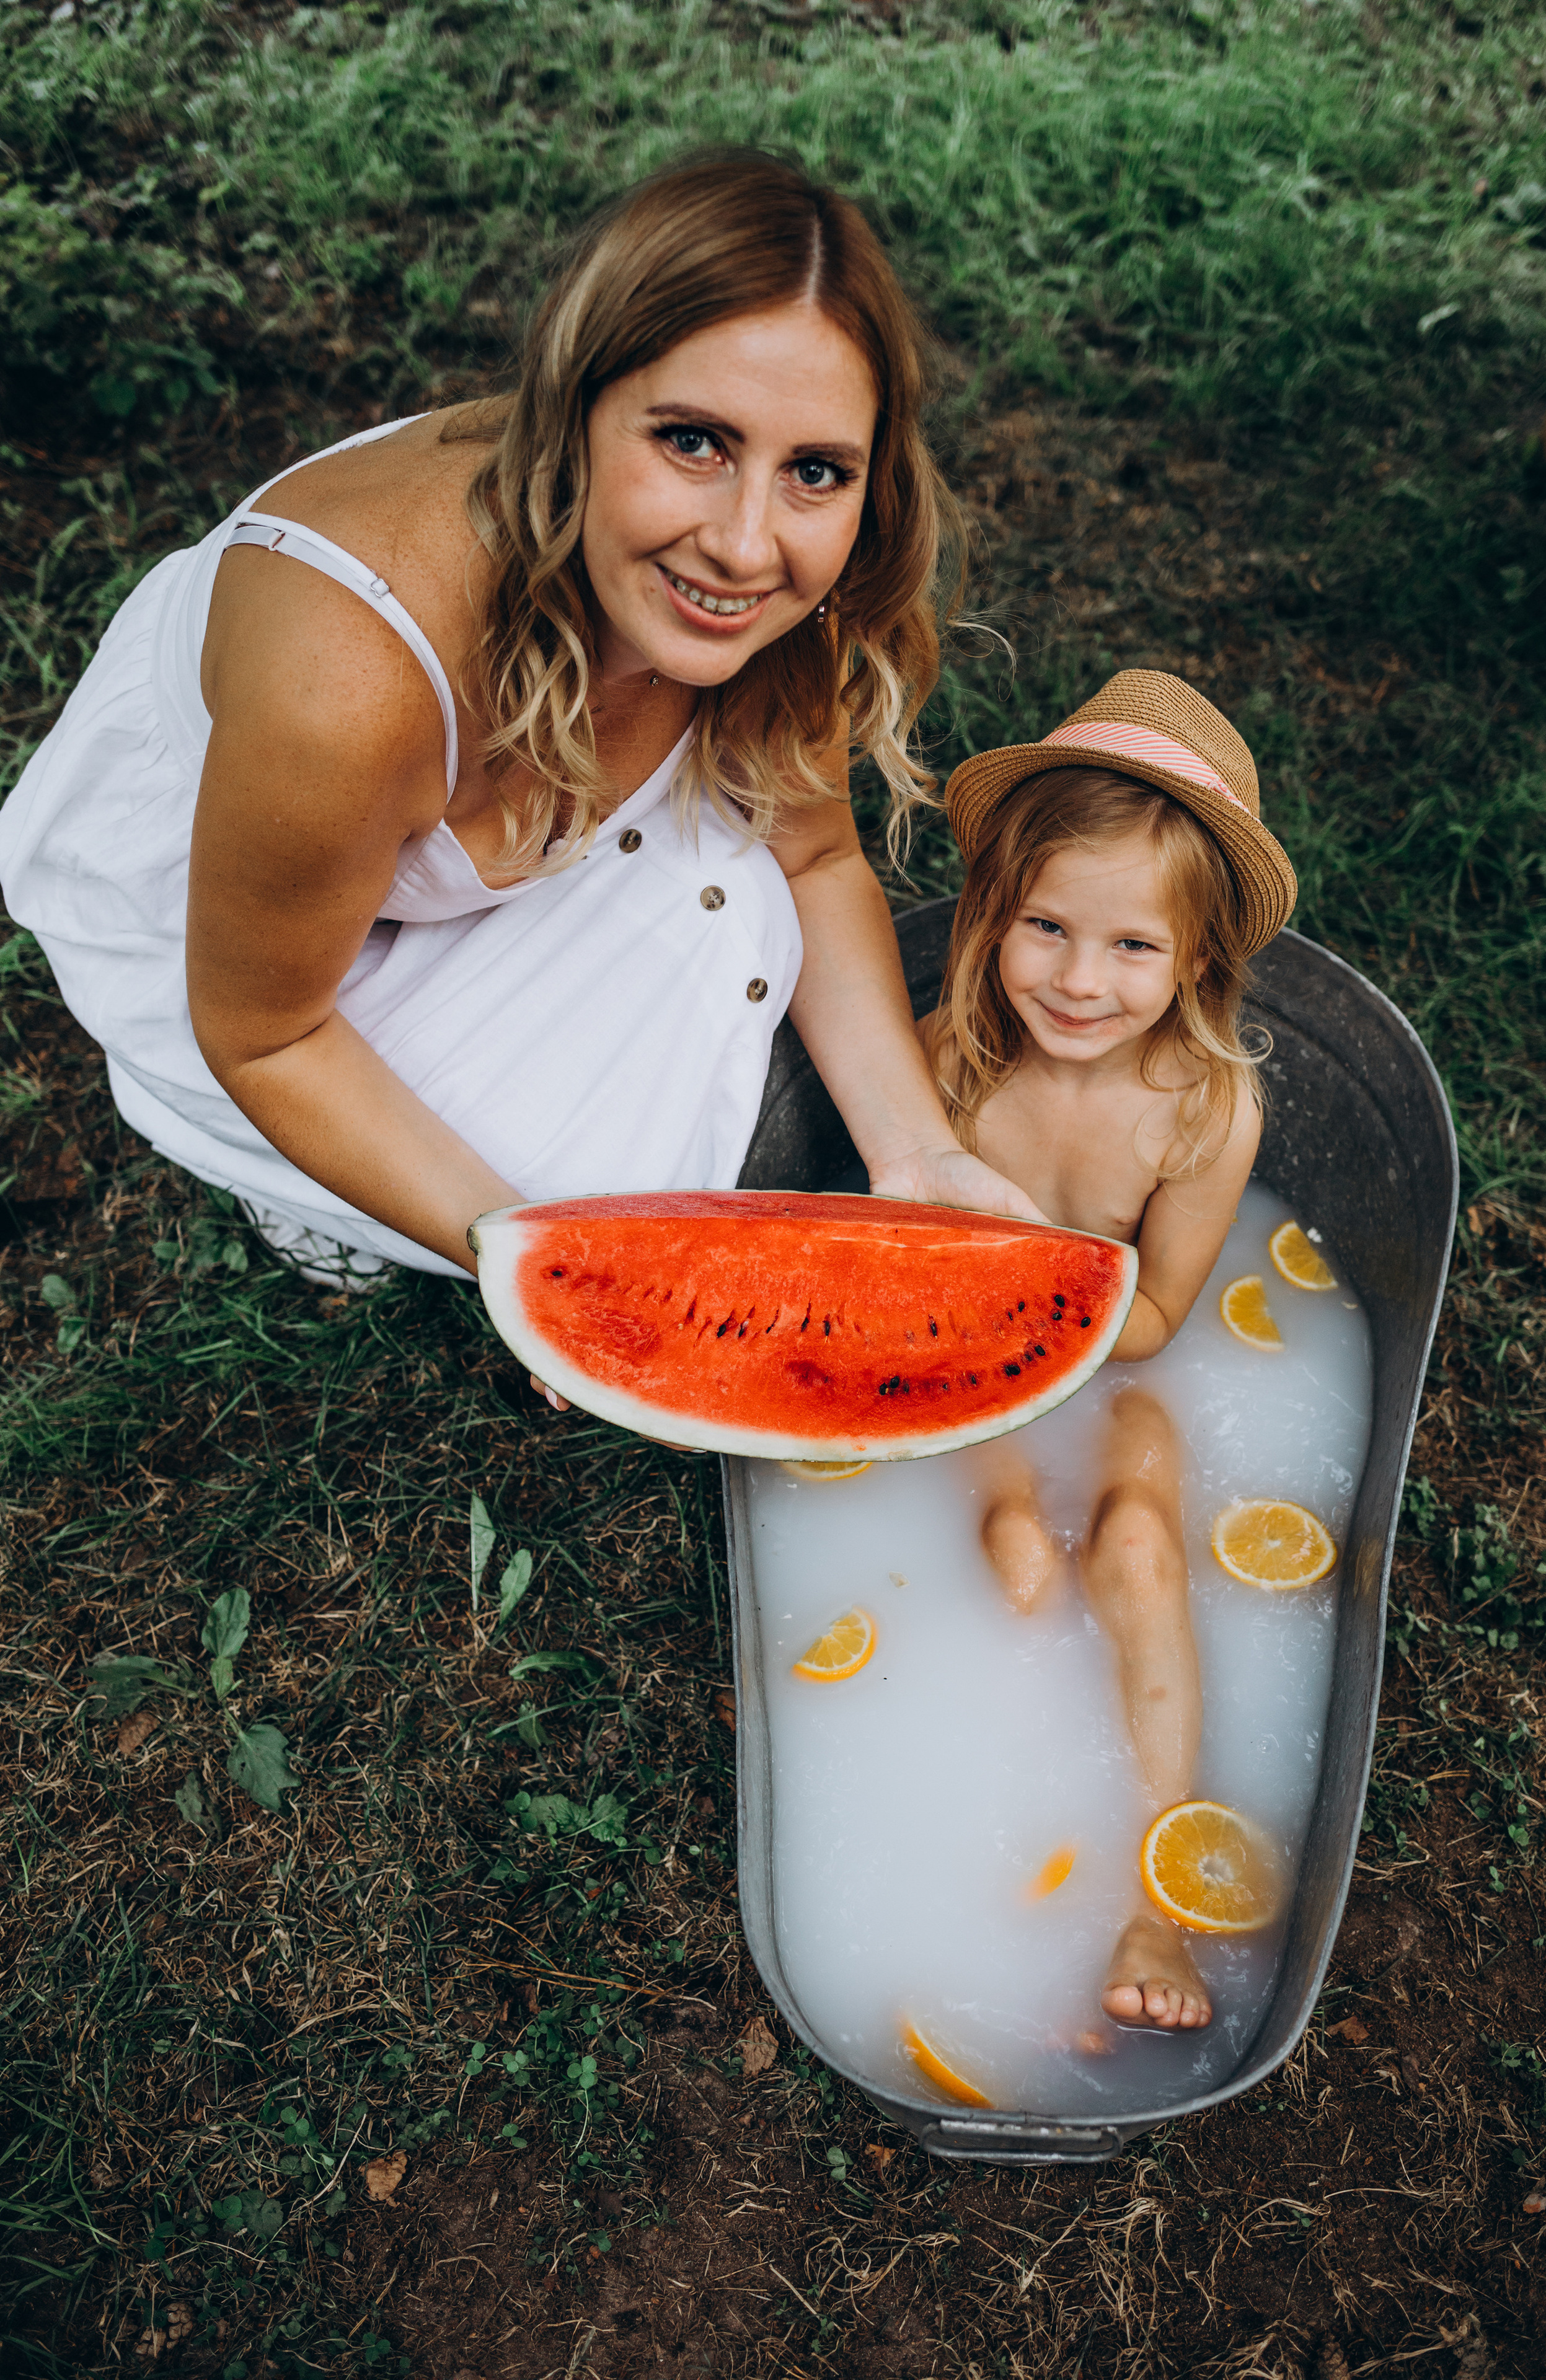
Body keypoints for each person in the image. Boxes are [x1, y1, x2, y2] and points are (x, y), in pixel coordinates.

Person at [0, 149, 1038, 1336]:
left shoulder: (781, 585)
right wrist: (528, 1257)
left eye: (814, 470)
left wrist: (920, 1157)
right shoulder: (346, 679)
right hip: (248, 921)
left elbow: (808, 859)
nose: (749, 548)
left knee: (736, 918)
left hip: (441, 820)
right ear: (575, 408)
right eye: (693, 441)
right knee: (566, 1185)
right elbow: (265, 1030)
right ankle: (280, 1182)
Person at [922, 668, 1297, 2039]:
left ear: (1197, 960)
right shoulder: (949, 1057)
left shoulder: (1202, 1109)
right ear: (988, 919)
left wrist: (1034, 1269)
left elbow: (1152, 1324)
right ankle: (991, 1867)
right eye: (1045, 928)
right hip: (959, 1362)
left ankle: (1149, 1884)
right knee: (1019, 1555)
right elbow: (884, 1263)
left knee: (1137, 1549)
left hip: (1120, 1366)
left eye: (1132, 948)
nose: (1079, 981)